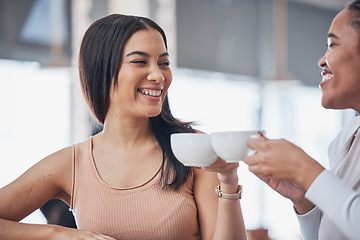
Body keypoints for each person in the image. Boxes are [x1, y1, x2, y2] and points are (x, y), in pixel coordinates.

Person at [0, 14, 247, 239]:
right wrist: (58, 235)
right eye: (140, 62)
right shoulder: (72, 163)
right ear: (102, 69)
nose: (158, 76)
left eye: (163, 63)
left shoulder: (193, 150)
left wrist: (228, 179)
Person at [243, 1, 360, 239]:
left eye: (331, 45)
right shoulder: (345, 139)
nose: (321, 61)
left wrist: (305, 169)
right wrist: (304, 201)